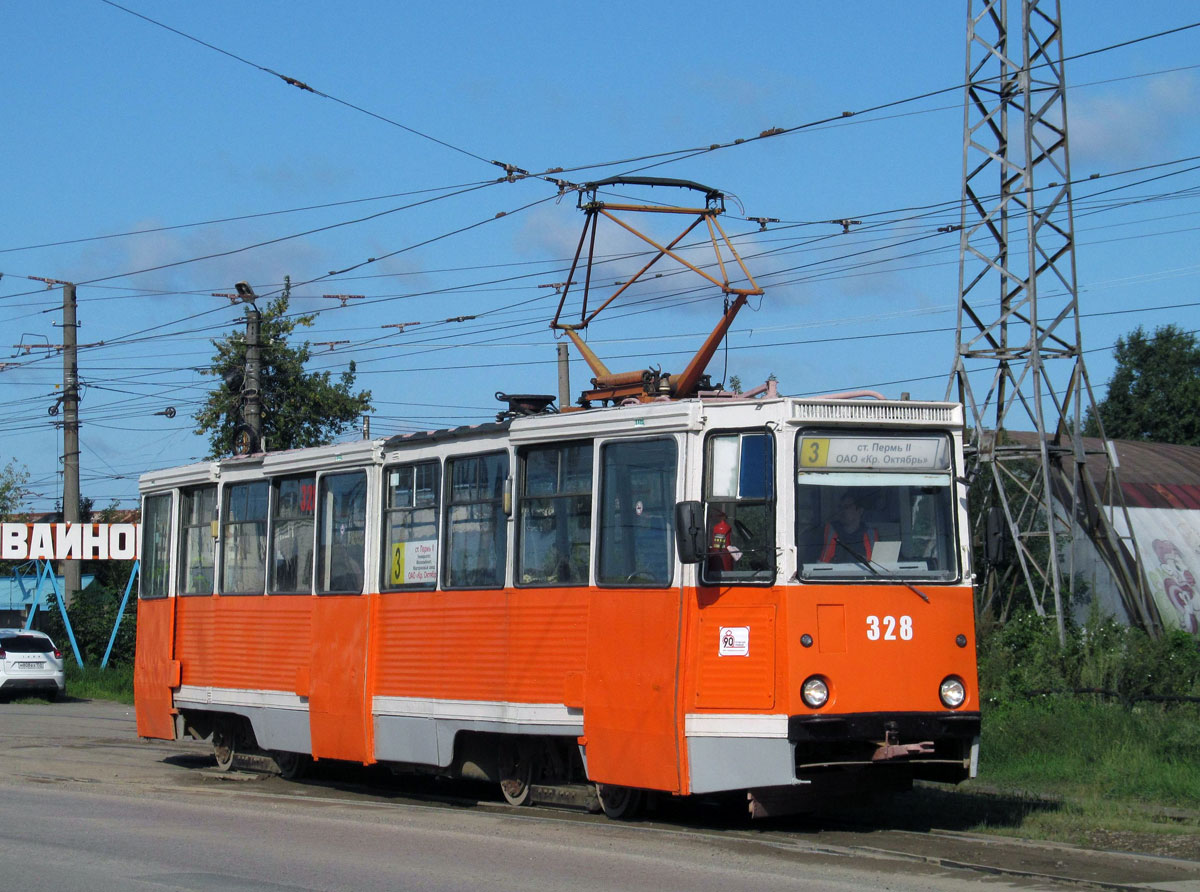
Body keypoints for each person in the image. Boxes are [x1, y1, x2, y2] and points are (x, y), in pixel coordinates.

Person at [819, 491, 877, 562]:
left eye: (847, 507)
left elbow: (875, 565)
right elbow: (823, 564)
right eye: (840, 507)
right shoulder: (831, 530)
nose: (842, 511)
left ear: (859, 511)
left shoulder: (870, 533)